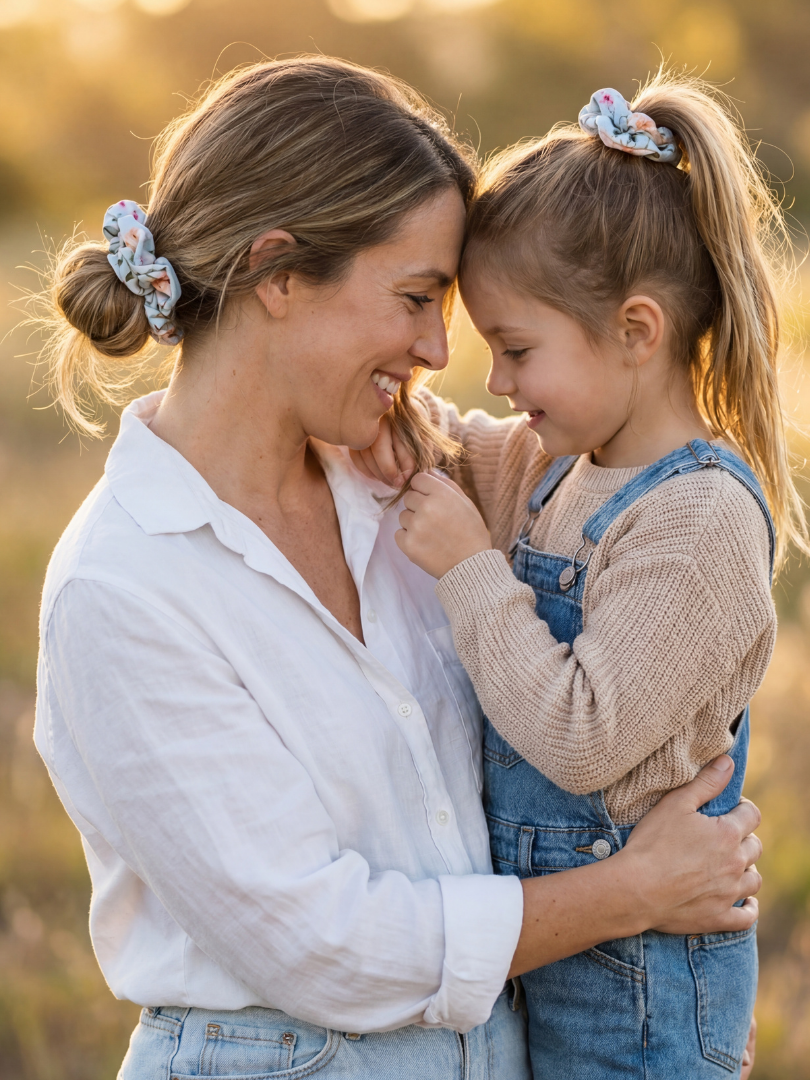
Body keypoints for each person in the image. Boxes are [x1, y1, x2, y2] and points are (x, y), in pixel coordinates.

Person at [33, 58, 761, 1080]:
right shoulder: (124, 588)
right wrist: (631, 894)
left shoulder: (403, 485)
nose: (437, 349)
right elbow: (321, 944)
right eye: (417, 297)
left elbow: (600, 510)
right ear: (278, 272)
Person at [358, 71, 800, 1078]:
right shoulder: (559, 459)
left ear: (637, 332)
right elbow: (461, 444)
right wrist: (385, 403)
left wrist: (471, 569)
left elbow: (583, 738)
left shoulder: (697, 518)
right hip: (557, 961)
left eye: (517, 348)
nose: (497, 381)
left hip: (644, 1003)